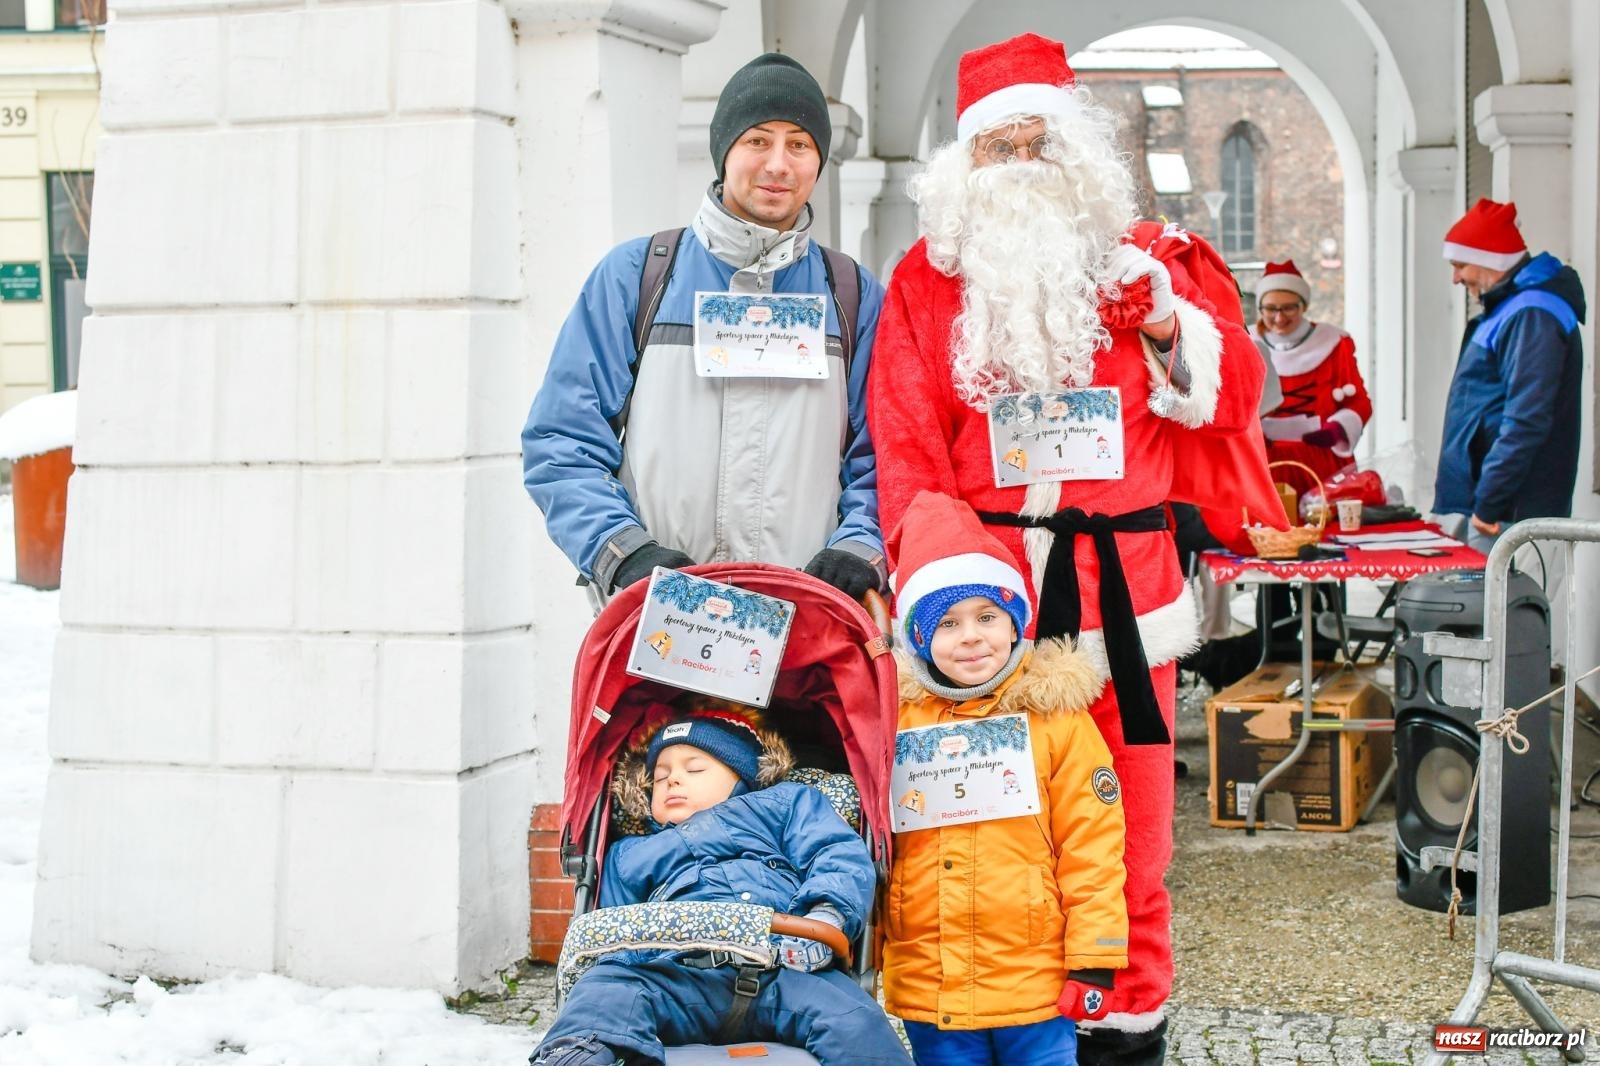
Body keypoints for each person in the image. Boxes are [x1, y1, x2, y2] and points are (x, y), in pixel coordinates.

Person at [867, 32, 1269, 1064]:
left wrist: (1171, 327)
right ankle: (1005, 1028)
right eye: (997, 148)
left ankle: (1124, 1029)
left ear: (1075, 148)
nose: (1019, 163)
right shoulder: (922, 284)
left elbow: (1235, 402)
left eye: (1036, 140)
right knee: (993, 831)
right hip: (983, 611)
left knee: (1130, 832)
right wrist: (943, 589)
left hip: (1125, 606)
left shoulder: (1150, 267)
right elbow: (906, 450)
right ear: (965, 166)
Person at [522, 53, 887, 607]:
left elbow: (885, 455)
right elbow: (561, 439)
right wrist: (624, 555)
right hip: (658, 616)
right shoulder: (637, 277)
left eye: (800, 144)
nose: (778, 164)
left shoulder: (853, 296)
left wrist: (858, 549)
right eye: (758, 140)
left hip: (807, 619)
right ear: (724, 151)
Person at [881, 490, 1127, 1066]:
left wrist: (1095, 956)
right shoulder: (892, 720)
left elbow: (1092, 843)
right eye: (947, 623)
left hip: (1034, 981)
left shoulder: (1057, 719)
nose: (971, 636)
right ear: (917, 639)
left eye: (988, 617)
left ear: (1015, 621)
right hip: (931, 976)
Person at [530, 707, 911, 1066]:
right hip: (675, 978)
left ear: (742, 776)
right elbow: (611, 933)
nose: (673, 780)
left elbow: (836, 854)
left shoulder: (784, 805)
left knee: (855, 1020)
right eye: (660, 777)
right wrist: (616, 974)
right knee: (605, 993)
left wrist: (826, 915)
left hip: (784, 968)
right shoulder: (630, 854)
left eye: (694, 769)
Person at [1436, 198, 1586, 551]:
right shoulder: (1516, 309)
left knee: (1512, 606)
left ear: (1489, 259)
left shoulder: (1532, 313)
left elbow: (1527, 417)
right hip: (1500, 508)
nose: (1456, 277)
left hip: (1513, 513)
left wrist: (1488, 503)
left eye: (1460, 264)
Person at [1253, 259, 1371, 496]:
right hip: (1263, 462)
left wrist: (1338, 429)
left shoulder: (1334, 343)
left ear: (1303, 306)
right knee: (1266, 532)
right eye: (1271, 308)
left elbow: (1359, 401)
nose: (1279, 318)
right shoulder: (1246, 343)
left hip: (1321, 461)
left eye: (1288, 308)